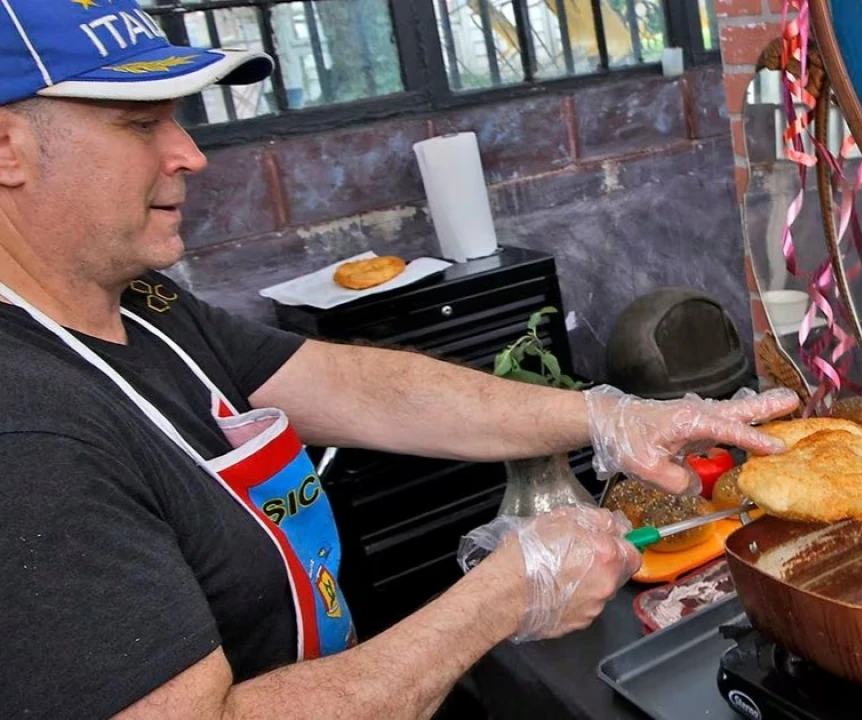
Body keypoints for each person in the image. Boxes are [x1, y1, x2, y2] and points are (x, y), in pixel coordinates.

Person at [0, 1, 799, 717]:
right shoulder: (27, 429)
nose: (189, 153)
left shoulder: (143, 305)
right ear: (9, 148)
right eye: (140, 124)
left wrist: (607, 416)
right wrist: (500, 597)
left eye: (177, 118)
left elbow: (355, 386)